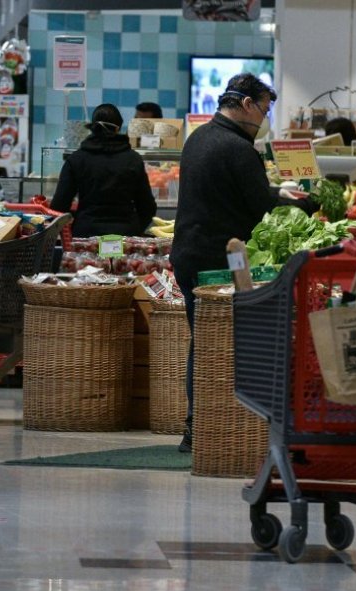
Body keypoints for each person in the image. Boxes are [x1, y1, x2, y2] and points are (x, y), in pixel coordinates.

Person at [172, 73, 315, 453]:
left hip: (189, 253)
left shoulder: (200, 137)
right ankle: (211, 428)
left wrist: (276, 191)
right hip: (217, 261)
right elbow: (260, 207)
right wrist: (304, 206)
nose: (265, 118)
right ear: (248, 104)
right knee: (219, 347)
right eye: (265, 109)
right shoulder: (238, 148)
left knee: (203, 342)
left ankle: (197, 426)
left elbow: (237, 191)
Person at [50, 104, 157, 237]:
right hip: (126, 235)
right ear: (118, 128)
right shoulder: (133, 159)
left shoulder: (76, 159)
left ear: (93, 127)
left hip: (86, 234)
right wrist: (135, 229)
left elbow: (59, 206)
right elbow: (148, 207)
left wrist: (72, 227)